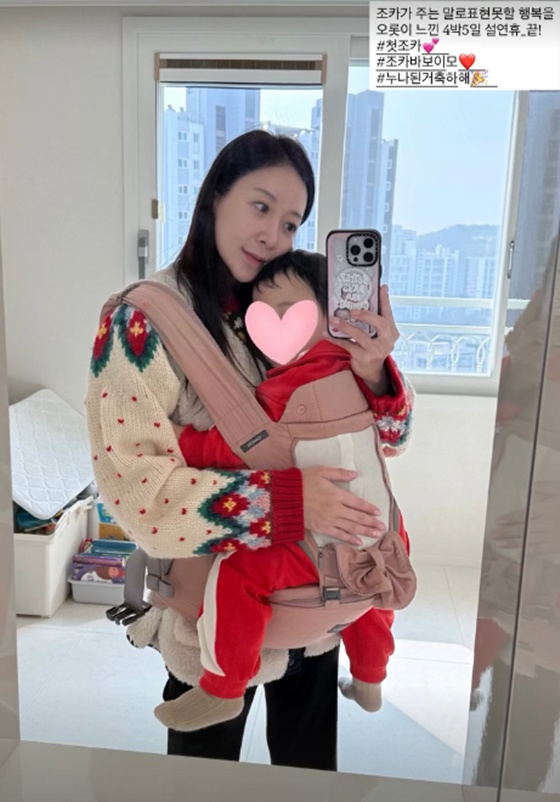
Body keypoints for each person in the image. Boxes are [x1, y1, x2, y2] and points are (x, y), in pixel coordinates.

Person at [86, 129, 414, 771]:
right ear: (215, 197)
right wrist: (289, 503)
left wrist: (374, 372)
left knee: (309, 773)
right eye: (260, 206)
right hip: (210, 623)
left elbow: (391, 445)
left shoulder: (301, 304)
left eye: (291, 222)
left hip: (320, 611)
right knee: (202, 779)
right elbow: (135, 497)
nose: (273, 235)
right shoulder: (142, 322)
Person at [153, 249, 412, 732]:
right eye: (261, 315)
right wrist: (379, 371)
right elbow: (390, 428)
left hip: (313, 544)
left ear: (332, 315)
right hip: (384, 530)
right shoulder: (363, 372)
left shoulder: (287, 385)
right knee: (373, 587)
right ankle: (371, 677)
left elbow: (236, 444)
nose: (272, 326)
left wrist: (180, 440)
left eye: (289, 311)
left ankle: (223, 689)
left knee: (238, 573)